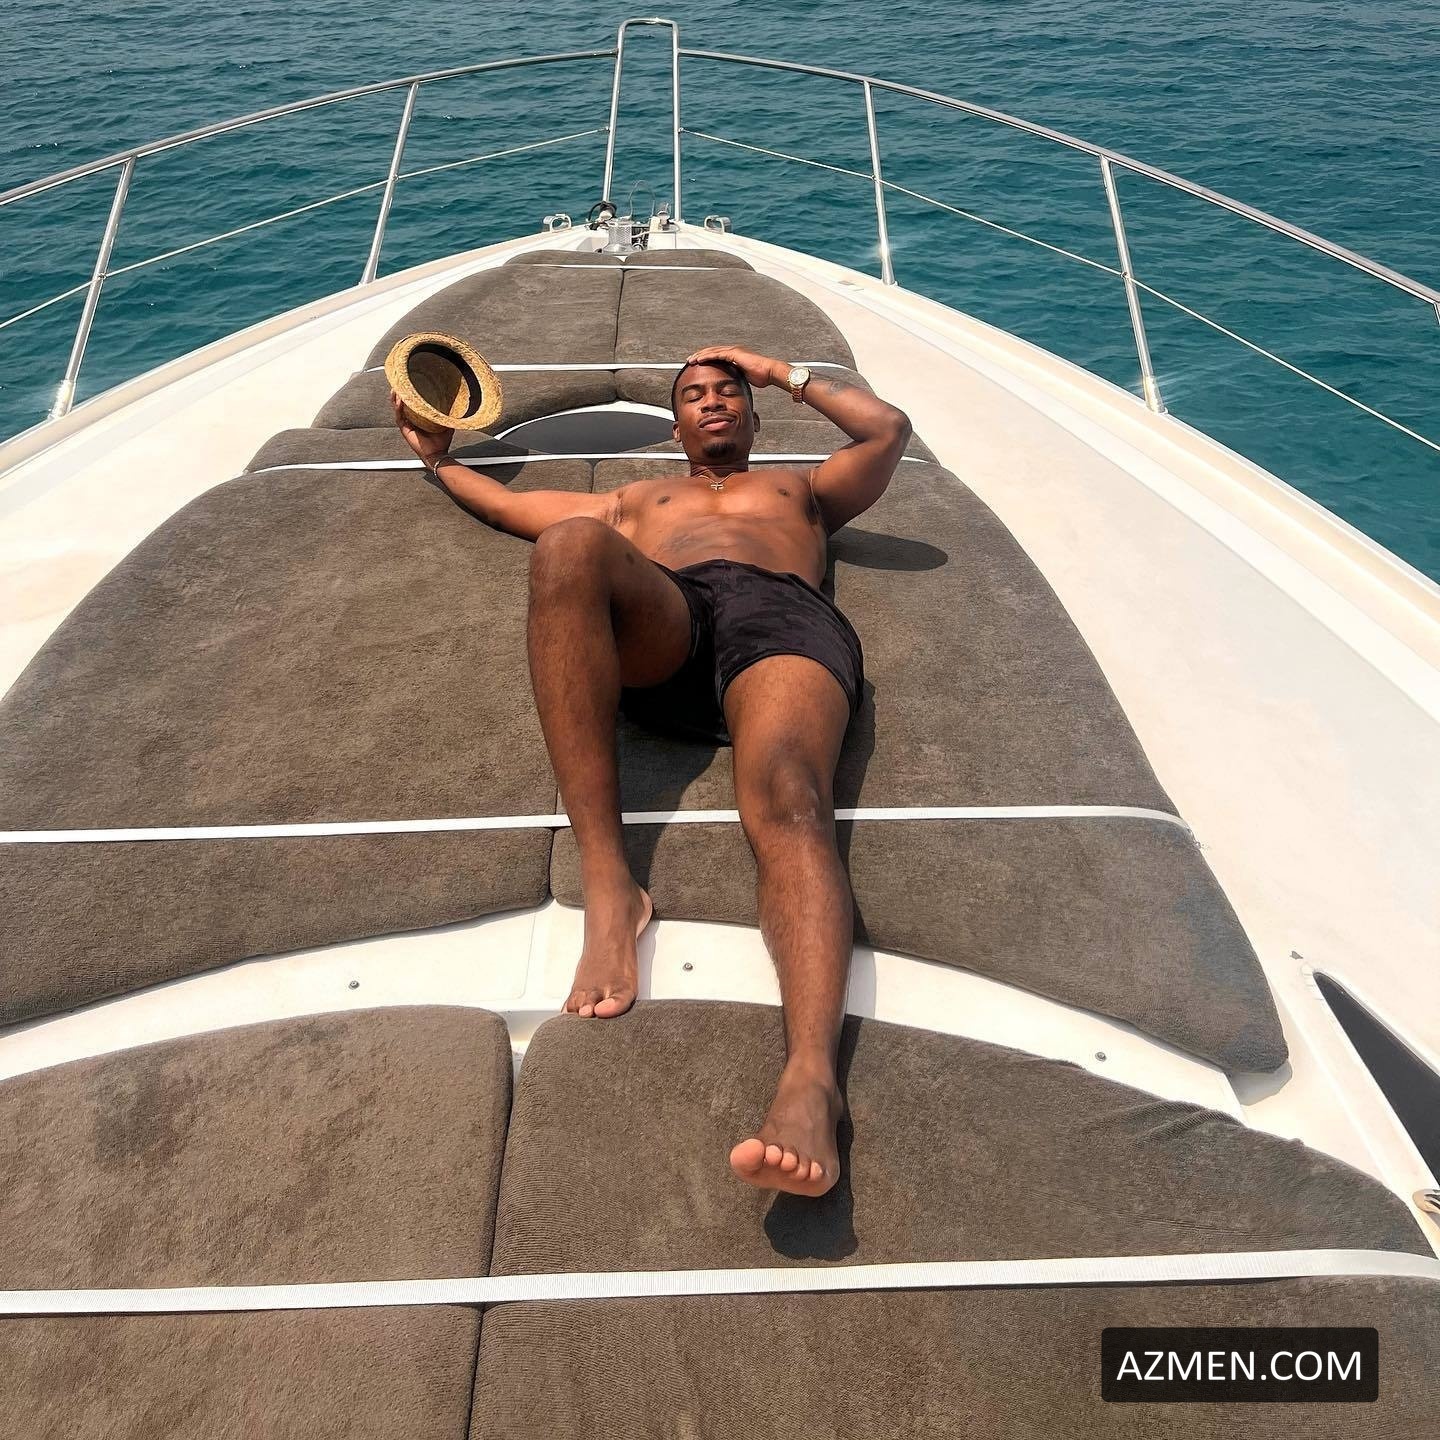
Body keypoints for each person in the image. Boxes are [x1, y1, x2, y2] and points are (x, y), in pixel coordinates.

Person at [392, 344, 910, 1196]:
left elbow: (885, 430)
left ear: (754, 418)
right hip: (672, 617)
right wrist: (440, 463)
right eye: (695, 395)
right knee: (568, 546)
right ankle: (611, 887)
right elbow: (513, 510)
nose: (712, 401)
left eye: (728, 392)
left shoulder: (805, 491)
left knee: (791, 797)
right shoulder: (634, 500)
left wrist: (773, 368)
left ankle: (811, 1084)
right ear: (674, 428)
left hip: (781, 624)